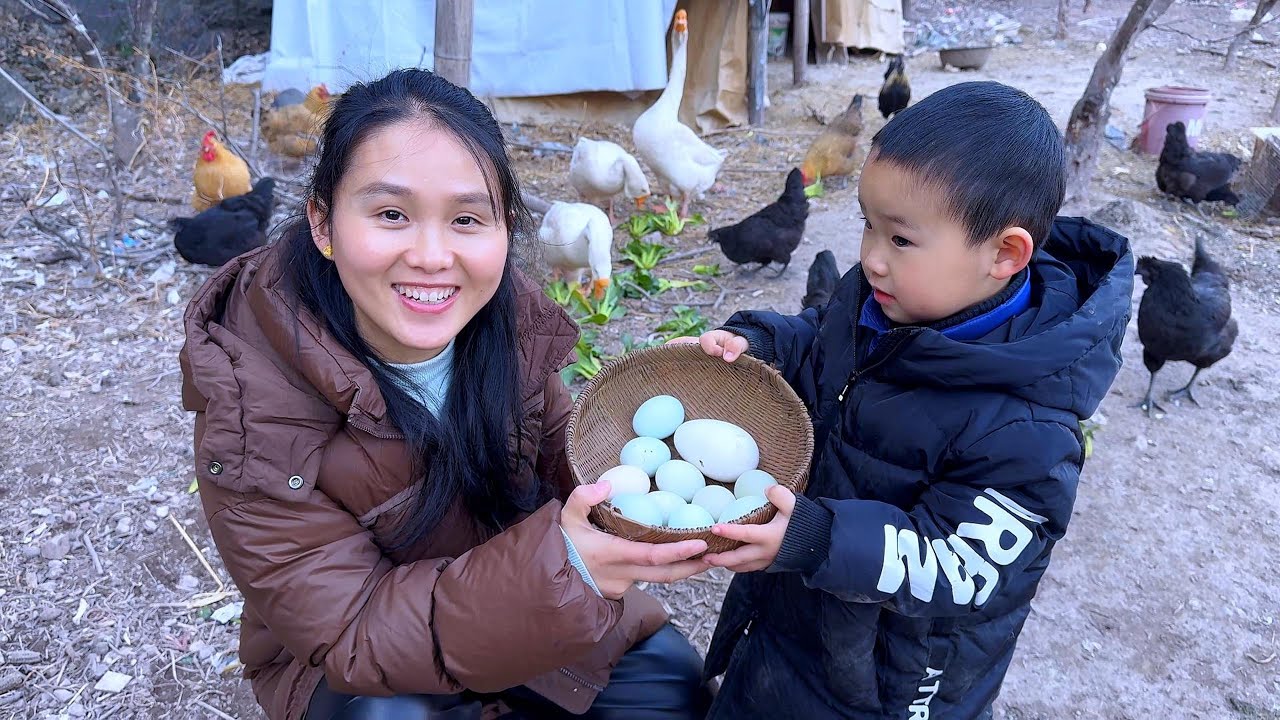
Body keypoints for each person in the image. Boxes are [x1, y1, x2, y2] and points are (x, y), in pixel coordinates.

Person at [180, 68, 713, 720]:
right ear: (323, 223)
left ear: (505, 228)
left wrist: (644, 429)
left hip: (524, 578)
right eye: (392, 214)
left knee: (672, 688)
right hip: (362, 646)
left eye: (466, 218)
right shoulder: (250, 397)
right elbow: (351, 628)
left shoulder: (506, 320)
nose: (433, 256)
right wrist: (563, 567)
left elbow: (562, 470)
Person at [676, 81, 1134, 718]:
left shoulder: (1027, 429)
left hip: (884, 685)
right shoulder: (878, 300)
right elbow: (820, 343)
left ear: (1005, 252)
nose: (870, 257)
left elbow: (957, 567)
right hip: (791, 618)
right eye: (868, 224)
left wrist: (818, 539)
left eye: (900, 239)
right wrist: (762, 342)